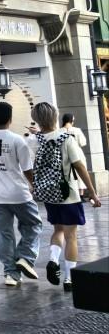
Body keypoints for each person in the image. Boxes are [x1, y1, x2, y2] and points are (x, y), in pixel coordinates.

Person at [29, 102, 102, 292]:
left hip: (49, 194)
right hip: (68, 194)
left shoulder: (34, 141)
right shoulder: (66, 138)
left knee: (58, 230)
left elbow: (28, 168)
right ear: (55, 116)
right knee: (71, 236)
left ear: (36, 119)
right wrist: (92, 192)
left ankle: (53, 260)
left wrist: (34, 186)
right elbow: (80, 166)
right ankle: (69, 278)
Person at [0, 101, 42, 287]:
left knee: (3, 235)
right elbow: (27, 169)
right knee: (33, 224)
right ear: (10, 118)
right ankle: (25, 256)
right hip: (19, 194)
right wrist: (34, 184)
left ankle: (11, 274)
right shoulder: (17, 140)